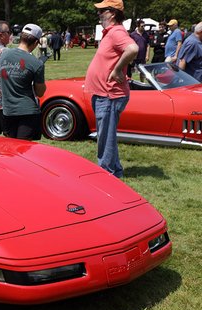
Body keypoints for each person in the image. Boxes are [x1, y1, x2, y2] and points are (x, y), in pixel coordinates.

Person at [84, 0, 138, 178]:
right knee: (107, 136)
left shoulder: (116, 32)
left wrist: (116, 69)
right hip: (104, 94)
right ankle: (114, 171)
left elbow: (132, 48)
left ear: (112, 13)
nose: (99, 14)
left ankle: (106, 174)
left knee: (105, 138)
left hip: (109, 95)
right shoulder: (111, 33)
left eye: (102, 11)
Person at [0, 23, 46, 140]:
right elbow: (40, 92)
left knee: (11, 149)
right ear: (35, 43)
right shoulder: (36, 63)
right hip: (28, 112)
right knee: (24, 151)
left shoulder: (3, 55)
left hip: (8, 111)